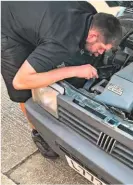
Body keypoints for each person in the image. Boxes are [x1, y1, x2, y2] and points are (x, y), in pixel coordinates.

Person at [1, 1, 122, 159]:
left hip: (30, 11)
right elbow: (20, 81)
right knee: (24, 92)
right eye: (101, 48)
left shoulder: (88, 11)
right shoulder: (62, 42)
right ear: (93, 35)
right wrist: (74, 71)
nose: (99, 53)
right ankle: (37, 132)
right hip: (6, 25)